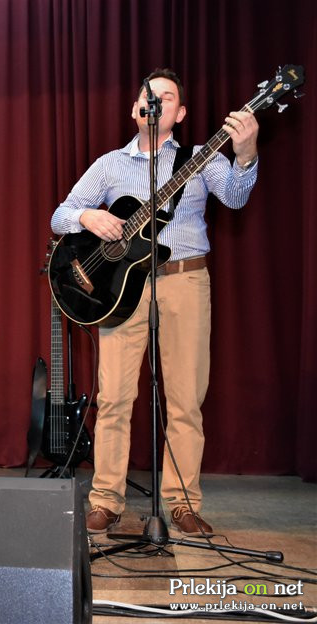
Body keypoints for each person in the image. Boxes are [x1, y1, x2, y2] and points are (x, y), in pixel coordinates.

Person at [51, 69, 259, 536]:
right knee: (114, 398)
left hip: (185, 280)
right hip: (121, 291)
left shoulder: (201, 157)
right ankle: (105, 500)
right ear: (135, 109)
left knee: (185, 398)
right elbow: (60, 216)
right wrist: (87, 217)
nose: (156, 102)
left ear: (180, 113)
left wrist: (245, 153)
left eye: (167, 97)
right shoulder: (109, 165)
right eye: (150, 96)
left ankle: (182, 503)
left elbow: (235, 197)